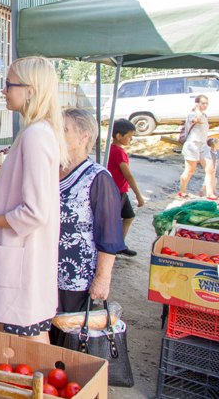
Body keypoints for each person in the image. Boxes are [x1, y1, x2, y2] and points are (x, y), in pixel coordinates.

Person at [0, 56, 67, 342]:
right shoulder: (36, 132)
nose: (3, 91)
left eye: (8, 85)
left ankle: (36, 389)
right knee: (24, 339)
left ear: (30, 90)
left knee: (27, 341)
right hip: (23, 255)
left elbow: (34, 213)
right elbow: (27, 197)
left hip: (23, 259)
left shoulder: (36, 137)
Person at [58, 108, 125, 315]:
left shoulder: (97, 178)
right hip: (41, 271)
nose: (56, 134)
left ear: (84, 136)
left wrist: (102, 279)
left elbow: (109, 233)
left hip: (75, 277)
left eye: (64, 130)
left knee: (66, 335)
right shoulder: (50, 168)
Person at [107, 119, 145, 257]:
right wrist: (139, 196)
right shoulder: (119, 152)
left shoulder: (110, 149)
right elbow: (128, 175)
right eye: (129, 136)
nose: (131, 139)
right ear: (119, 136)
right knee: (124, 218)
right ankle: (116, 245)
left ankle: (119, 244)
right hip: (119, 191)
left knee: (124, 217)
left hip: (115, 190)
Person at [179, 95, 215, 199]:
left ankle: (210, 193)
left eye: (206, 103)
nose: (205, 105)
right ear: (197, 103)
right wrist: (196, 109)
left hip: (203, 145)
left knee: (210, 169)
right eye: (203, 103)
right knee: (190, 170)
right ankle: (182, 191)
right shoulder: (192, 114)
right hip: (192, 145)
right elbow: (198, 120)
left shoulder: (205, 115)